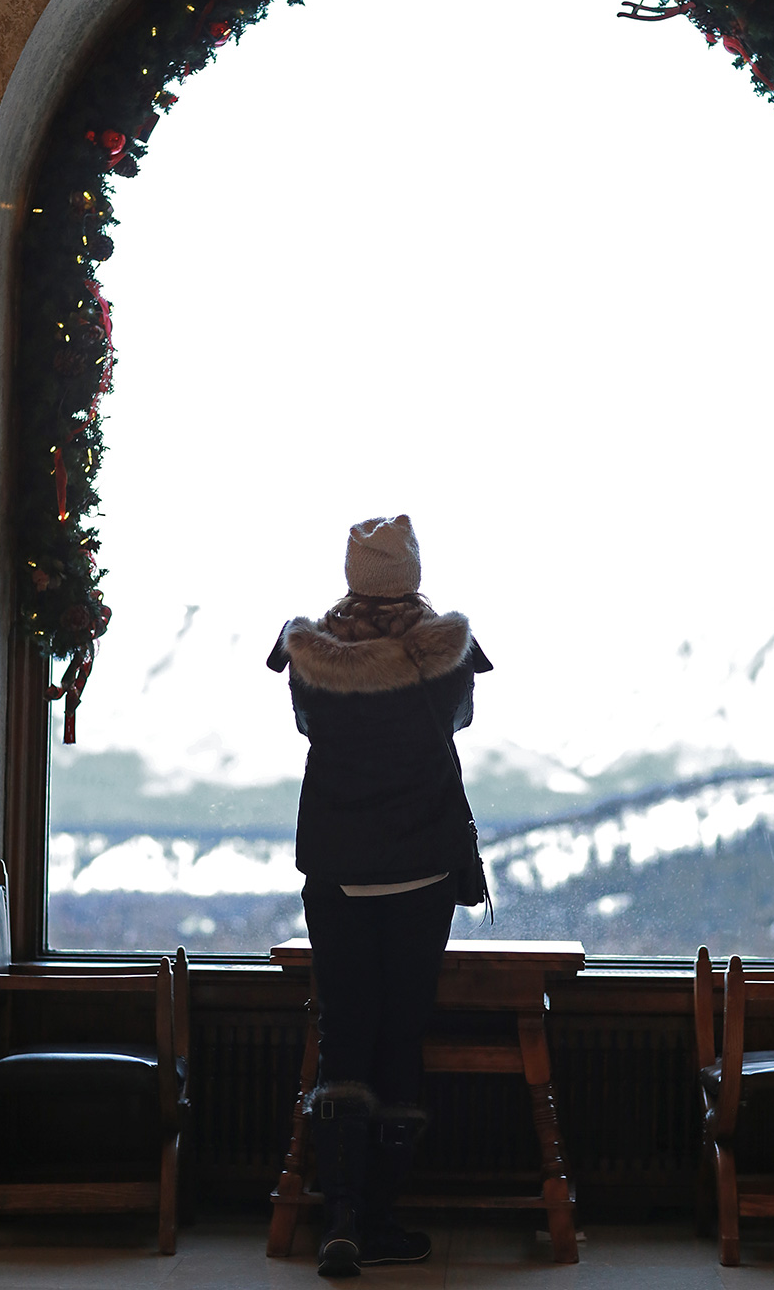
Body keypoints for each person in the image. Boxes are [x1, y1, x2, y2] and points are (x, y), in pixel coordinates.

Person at [267, 514, 492, 1278]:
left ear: (351, 572)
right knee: (400, 1035)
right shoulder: (445, 655)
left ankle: (339, 1216)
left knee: (343, 1032)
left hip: (334, 869)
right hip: (423, 869)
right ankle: (385, 1215)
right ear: (413, 574)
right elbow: (459, 719)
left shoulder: (311, 656)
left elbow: (305, 723)